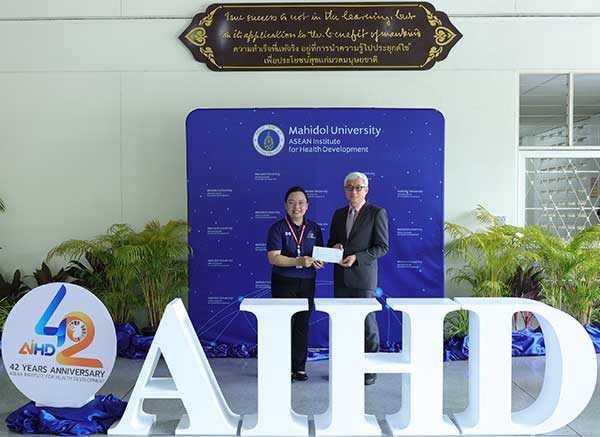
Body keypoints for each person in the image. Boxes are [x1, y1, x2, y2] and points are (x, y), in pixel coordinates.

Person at [328, 171, 389, 386]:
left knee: (367, 326)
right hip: (341, 278)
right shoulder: (338, 214)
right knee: (343, 325)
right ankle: (346, 367)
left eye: (358, 187)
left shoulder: (377, 213)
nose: (354, 191)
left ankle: (369, 370)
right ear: (344, 190)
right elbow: (332, 241)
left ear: (366, 190)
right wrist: (335, 246)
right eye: (349, 187)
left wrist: (357, 258)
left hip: (364, 278)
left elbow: (382, 247)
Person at [267, 186, 324, 382]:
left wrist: (319, 262)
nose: (296, 207)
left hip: (307, 282)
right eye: (292, 203)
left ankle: (299, 367)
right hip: (283, 281)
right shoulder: (277, 228)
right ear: (285, 205)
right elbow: (273, 257)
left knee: (302, 325)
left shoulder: (314, 228)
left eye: (301, 203)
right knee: (284, 325)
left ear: (307, 206)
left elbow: (319, 254)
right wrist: (298, 261)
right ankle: (283, 368)